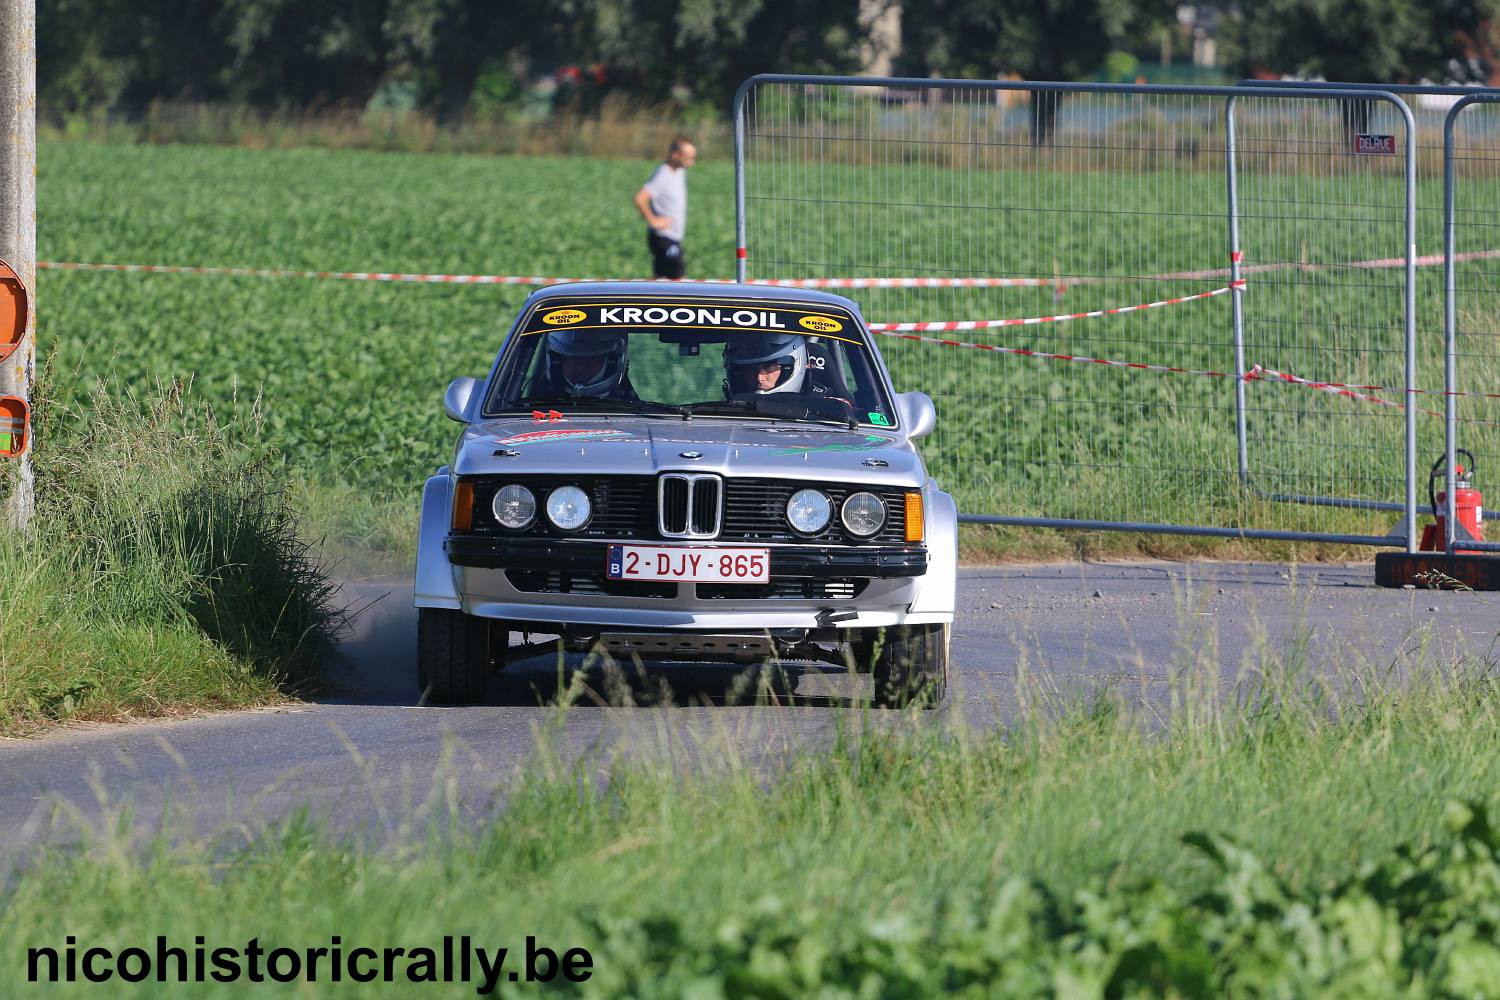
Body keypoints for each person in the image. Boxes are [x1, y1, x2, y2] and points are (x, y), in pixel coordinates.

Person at [634, 136, 696, 280]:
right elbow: (640, 198)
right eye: (688, 158)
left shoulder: (678, 171)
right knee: (679, 278)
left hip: (672, 236)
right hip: (664, 237)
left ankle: (646, 301)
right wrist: (653, 220)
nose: (692, 163)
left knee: (660, 279)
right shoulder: (663, 173)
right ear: (675, 155)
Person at [532, 329, 635, 399]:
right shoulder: (537, 405)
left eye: (590, 360)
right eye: (572, 360)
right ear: (556, 362)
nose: (580, 367)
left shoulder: (632, 408)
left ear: (610, 361)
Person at [723, 333, 808, 395]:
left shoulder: (816, 416)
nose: (759, 378)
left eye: (769, 367)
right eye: (750, 368)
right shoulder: (722, 414)